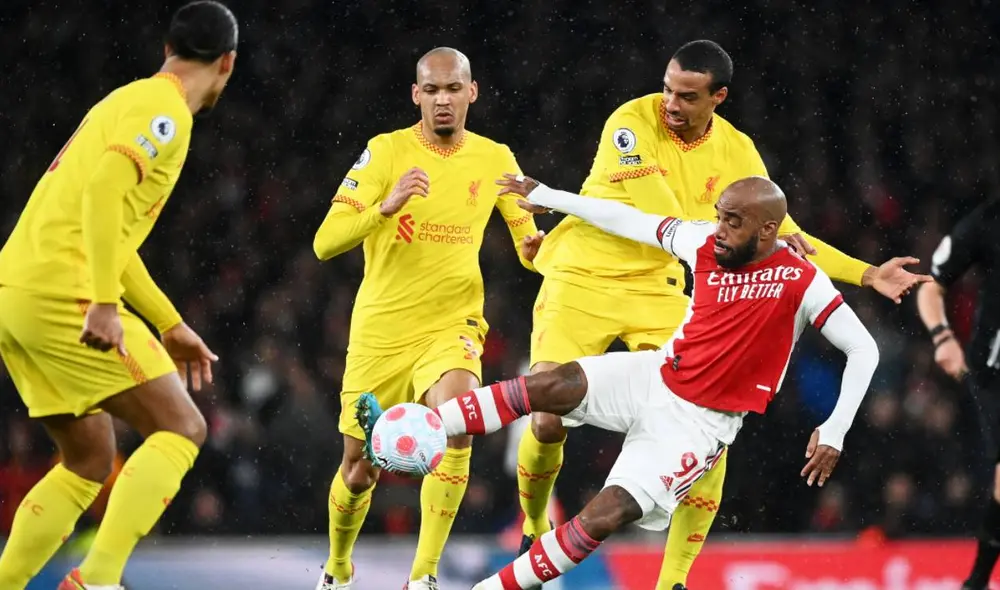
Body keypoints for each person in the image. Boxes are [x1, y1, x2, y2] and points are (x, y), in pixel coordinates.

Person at [514, 40, 928, 589]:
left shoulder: (738, 151)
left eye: (687, 96)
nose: (671, 103)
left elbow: (781, 229)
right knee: (545, 412)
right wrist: (760, 235)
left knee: (703, 419)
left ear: (719, 97)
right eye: (667, 88)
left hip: (659, 285)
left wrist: (867, 272)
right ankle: (533, 523)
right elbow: (677, 219)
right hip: (582, 276)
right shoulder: (630, 123)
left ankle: (674, 581)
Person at [358, 174, 900, 589]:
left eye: (733, 221)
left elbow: (863, 348)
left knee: (604, 514)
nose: (720, 228)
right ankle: (419, 426)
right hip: (655, 375)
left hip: (697, 425)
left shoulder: (801, 279)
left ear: (767, 230)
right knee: (554, 383)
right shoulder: (703, 243)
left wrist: (835, 429)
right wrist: (549, 194)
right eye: (719, 216)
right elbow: (627, 220)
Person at [0, 2, 237, 589]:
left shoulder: (125, 100)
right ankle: (98, 581)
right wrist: (105, 303)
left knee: (86, 458)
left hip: (16, 294)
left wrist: (168, 322)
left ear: (167, 50)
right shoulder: (166, 111)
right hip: (66, 293)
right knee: (183, 428)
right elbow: (104, 193)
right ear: (227, 63)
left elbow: (108, 231)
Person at [311, 47, 542, 590]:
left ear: (472, 92)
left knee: (457, 424)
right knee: (358, 466)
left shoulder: (495, 158)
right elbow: (324, 243)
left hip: (452, 323)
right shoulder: (385, 152)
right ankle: (339, 567)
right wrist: (383, 208)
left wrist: (551, 245)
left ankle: (424, 575)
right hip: (381, 330)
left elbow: (528, 247)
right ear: (416, 94)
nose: (443, 100)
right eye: (432, 90)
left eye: (453, 89)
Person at [916, 198, 1000, 590]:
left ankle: (977, 581)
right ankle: (978, 580)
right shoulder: (987, 221)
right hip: (995, 371)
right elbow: (933, 285)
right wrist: (942, 337)